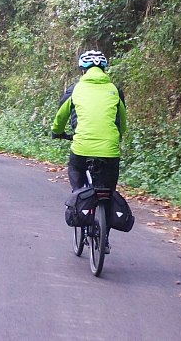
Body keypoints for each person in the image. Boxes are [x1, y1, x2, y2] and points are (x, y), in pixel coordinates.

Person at [51, 50, 126, 252]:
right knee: (108, 192)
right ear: (103, 69)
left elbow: (61, 117)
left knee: (75, 167)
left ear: (83, 70)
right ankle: (105, 238)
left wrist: (57, 132)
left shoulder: (74, 89)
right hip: (110, 149)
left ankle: (78, 198)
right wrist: (117, 137)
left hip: (82, 145)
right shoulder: (115, 90)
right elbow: (122, 121)